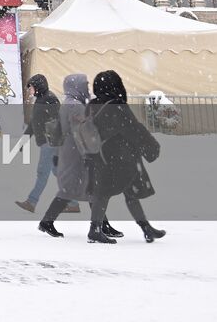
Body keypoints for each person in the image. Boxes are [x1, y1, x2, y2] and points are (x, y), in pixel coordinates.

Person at [85, 69, 166, 244]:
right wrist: (151, 147)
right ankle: (95, 229)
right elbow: (135, 129)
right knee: (114, 193)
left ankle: (146, 228)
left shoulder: (92, 106)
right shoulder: (117, 106)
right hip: (120, 157)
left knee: (115, 192)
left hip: (100, 156)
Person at [36, 74, 93, 237]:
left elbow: (61, 129)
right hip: (76, 152)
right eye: (85, 85)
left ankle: (101, 224)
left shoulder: (68, 103)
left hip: (67, 150)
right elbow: (80, 132)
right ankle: (47, 222)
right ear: (77, 86)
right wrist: (88, 152)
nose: (87, 88)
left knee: (83, 188)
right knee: (84, 188)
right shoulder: (76, 106)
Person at [15, 74, 60, 213]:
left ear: (38, 87)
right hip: (49, 142)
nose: (29, 91)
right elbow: (35, 123)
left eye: (31, 87)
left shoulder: (49, 100)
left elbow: (60, 121)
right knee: (57, 172)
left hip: (49, 143)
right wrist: (24, 140)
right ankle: (73, 201)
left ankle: (31, 202)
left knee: (42, 173)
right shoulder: (42, 99)